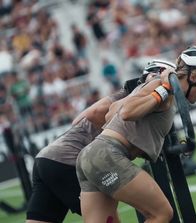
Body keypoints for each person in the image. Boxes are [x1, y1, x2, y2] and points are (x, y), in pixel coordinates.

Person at [76, 46, 196, 223]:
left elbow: (111, 113)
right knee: (161, 214)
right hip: (107, 155)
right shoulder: (163, 86)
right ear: (195, 76)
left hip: (90, 155)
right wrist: (163, 91)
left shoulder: (157, 85)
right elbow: (126, 113)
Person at [25, 59, 176, 223]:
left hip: (47, 158)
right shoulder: (128, 96)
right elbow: (93, 113)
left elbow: (77, 120)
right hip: (70, 160)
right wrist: (114, 132)